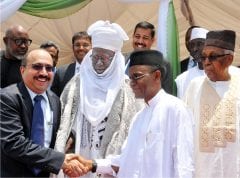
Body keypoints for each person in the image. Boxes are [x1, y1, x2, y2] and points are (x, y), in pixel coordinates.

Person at [72, 49, 194, 178]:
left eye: (137, 76)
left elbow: (184, 166)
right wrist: (92, 165)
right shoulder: (139, 117)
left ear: (157, 75)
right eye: (130, 78)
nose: (131, 83)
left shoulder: (176, 109)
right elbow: (126, 161)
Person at [54, 20, 141, 177]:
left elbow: (131, 130)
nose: (99, 61)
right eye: (95, 56)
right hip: (77, 160)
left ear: (115, 58)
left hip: (109, 162)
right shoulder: (76, 83)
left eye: (105, 57)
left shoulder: (128, 88)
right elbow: (64, 119)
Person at [185, 30, 240, 178]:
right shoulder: (194, 86)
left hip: (236, 170)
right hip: (201, 171)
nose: (206, 62)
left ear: (229, 59)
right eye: (204, 57)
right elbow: (184, 133)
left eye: (213, 57)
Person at [0, 49, 87, 177]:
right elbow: (13, 143)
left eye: (49, 68)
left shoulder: (55, 100)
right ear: (22, 70)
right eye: (37, 67)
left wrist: (71, 137)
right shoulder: (7, 98)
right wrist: (59, 160)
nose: (44, 73)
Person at [124, 21, 173, 94]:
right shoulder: (121, 59)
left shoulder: (163, 65)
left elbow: (167, 96)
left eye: (145, 38)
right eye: (137, 37)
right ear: (133, 37)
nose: (140, 41)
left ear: (152, 40)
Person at [51, 31, 91, 96]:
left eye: (85, 45)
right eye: (77, 45)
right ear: (73, 48)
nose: (81, 48)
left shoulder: (100, 73)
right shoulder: (61, 73)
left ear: (92, 48)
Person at [175, 27, 208, 98]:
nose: (195, 48)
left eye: (199, 44)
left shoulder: (228, 75)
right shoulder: (181, 79)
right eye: (192, 45)